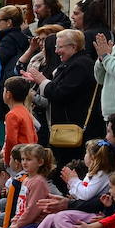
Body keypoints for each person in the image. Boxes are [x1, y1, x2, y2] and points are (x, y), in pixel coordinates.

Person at [23, 28, 100, 170]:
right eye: (56, 47)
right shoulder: (73, 63)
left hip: (74, 131)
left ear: (73, 47)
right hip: (67, 130)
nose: (57, 51)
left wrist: (42, 81)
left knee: (69, 169)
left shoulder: (80, 65)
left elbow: (60, 93)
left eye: (60, 47)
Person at [0, 5, 31, 146]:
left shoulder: (7, 40)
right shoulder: (23, 38)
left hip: (2, 93)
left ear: (9, 22)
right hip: (15, 91)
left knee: (6, 141)